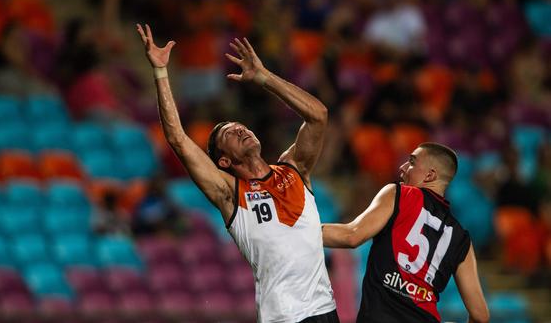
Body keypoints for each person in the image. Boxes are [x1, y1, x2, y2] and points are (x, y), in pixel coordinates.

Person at [136, 23, 338, 323]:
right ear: (225, 162)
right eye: (229, 133)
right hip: (283, 316)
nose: (240, 128)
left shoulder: (294, 169)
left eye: (240, 125)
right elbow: (177, 138)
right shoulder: (230, 193)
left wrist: (264, 77)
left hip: (326, 311)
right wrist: (161, 73)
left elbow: (318, 116)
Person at [322, 142, 490, 323]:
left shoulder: (400, 194)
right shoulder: (461, 238)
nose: (402, 167)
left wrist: (298, 230)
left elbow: (352, 235)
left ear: (430, 175)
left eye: (411, 162)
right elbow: (481, 316)